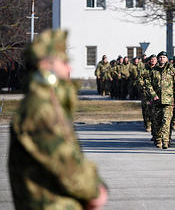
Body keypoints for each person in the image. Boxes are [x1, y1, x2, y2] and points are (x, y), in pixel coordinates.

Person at [8, 29, 108, 210]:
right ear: (46, 65)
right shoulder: (40, 108)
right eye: (64, 62)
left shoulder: (48, 103)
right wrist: (95, 191)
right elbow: (65, 165)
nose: (69, 68)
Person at [146, 51, 175, 149]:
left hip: (168, 101)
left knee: (166, 121)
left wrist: (174, 98)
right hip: (156, 101)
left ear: (167, 59)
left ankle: (166, 141)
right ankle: (158, 140)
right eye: (160, 57)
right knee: (157, 121)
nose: (162, 59)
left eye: (164, 57)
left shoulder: (172, 70)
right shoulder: (153, 71)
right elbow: (147, 84)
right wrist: (152, 94)